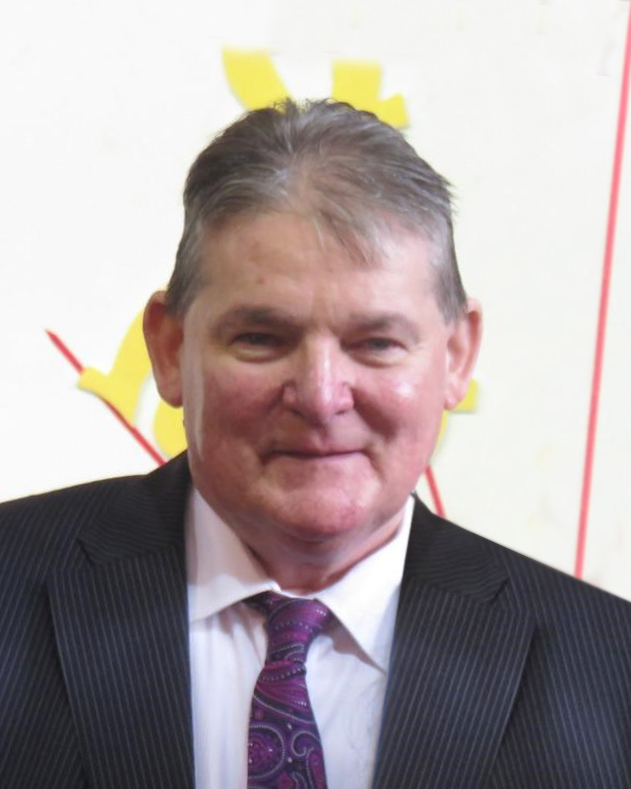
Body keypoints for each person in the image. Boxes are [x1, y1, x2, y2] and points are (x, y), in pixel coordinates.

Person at [1, 100, 631, 789]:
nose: (321, 395)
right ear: (170, 348)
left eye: (376, 343)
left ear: (456, 356)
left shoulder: (609, 669)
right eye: (261, 338)